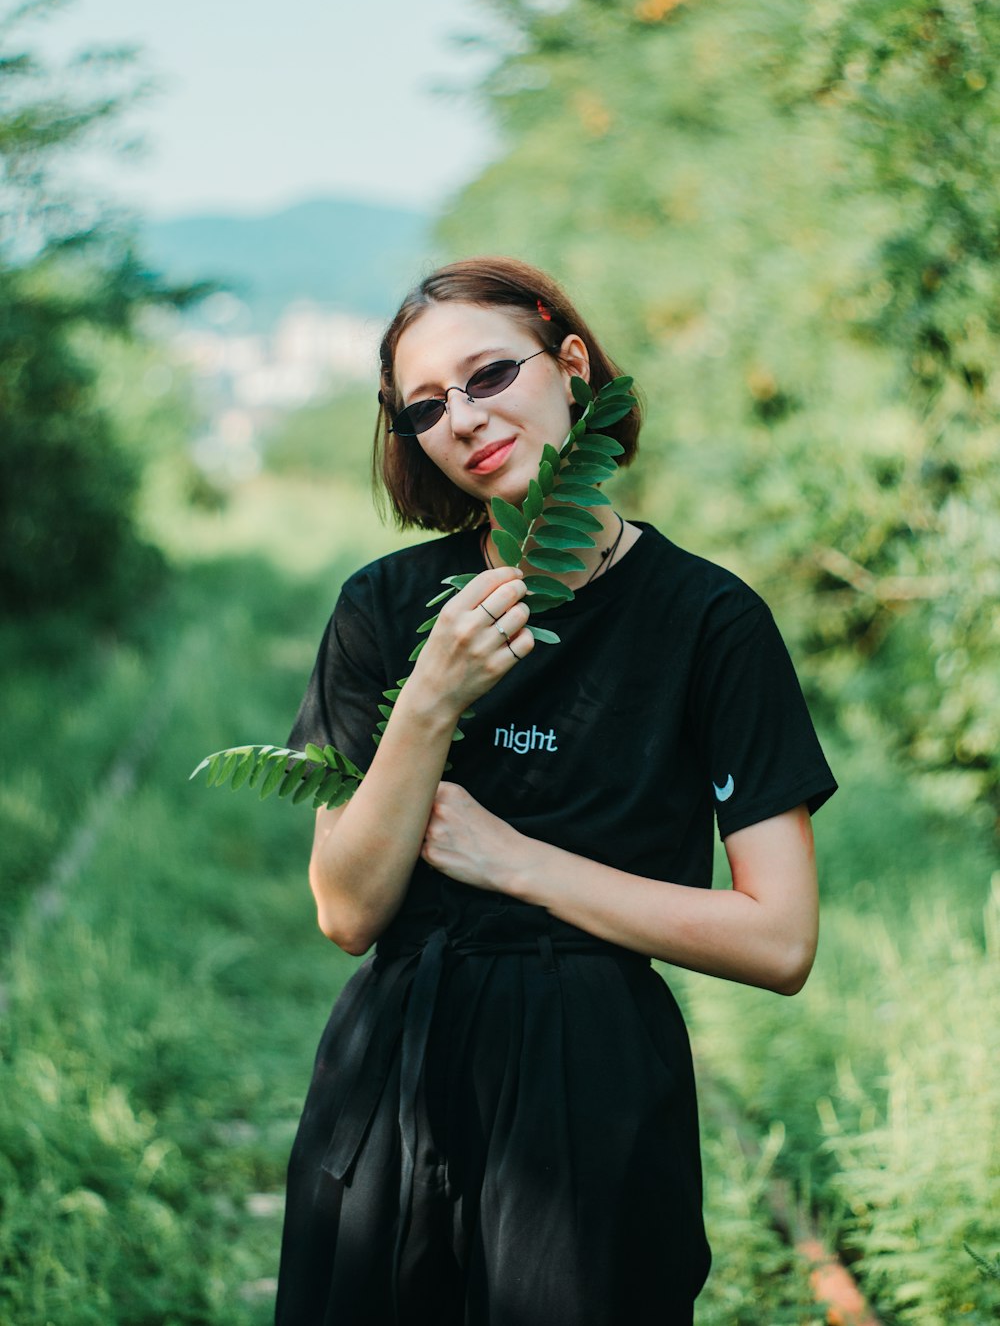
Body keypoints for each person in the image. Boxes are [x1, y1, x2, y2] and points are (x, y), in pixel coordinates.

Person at [274, 256, 837, 1326]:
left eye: (489, 375)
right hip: (389, 1069)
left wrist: (515, 861)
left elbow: (780, 939)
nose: (462, 419)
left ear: (568, 361)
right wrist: (430, 698)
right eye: (426, 407)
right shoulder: (384, 609)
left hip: (592, 1086)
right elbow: (345, 912)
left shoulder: (707, 621)